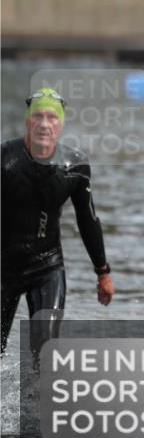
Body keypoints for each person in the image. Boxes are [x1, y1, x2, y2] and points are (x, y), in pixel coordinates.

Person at [2, 88, 114, 356]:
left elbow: (87, 219)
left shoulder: (75, 166)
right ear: (28, 121)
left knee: (46, 351)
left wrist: (103, 272)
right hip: (3, 265)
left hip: (46, 266)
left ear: (61, 125)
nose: (44, 124)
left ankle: (41, 398)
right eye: (38, 116)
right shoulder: (5, 157)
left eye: (52, 118)